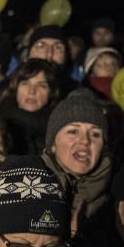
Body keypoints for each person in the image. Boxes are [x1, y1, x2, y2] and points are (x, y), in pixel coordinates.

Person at [41, 89, 113, 235]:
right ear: (53, 145)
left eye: (95, 134)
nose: (85, 141)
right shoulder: (28, 192)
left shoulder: (112, 207)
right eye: (73, 131)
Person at [0, 59, 61, 155]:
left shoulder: (60, 132)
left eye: (41, 85)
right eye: (25, 84)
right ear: (16, 88)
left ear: (51, 93)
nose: (32, 91)